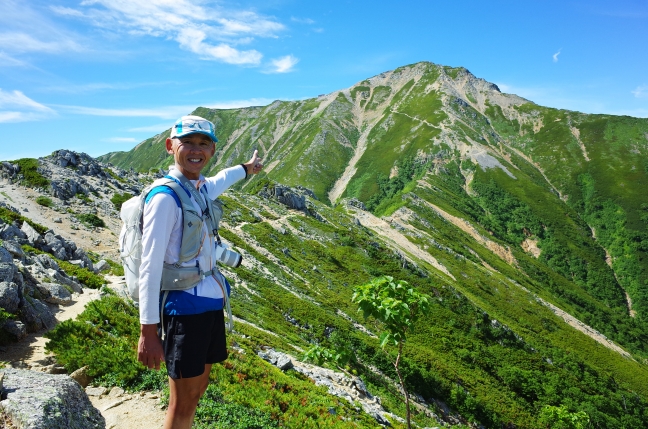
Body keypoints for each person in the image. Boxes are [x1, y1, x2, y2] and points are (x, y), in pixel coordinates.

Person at [136, 115, 263, 429]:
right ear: (170, 146)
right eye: (188, 142)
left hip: (208, 304)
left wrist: (247, 169)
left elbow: (221, 179)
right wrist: (148, 332)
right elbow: (149, 266)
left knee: (196, 391)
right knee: (181, 402)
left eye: (203, 143)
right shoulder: (165, 198)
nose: (196, 149)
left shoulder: (198, 188)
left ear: (213, 149)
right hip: (183, 310)